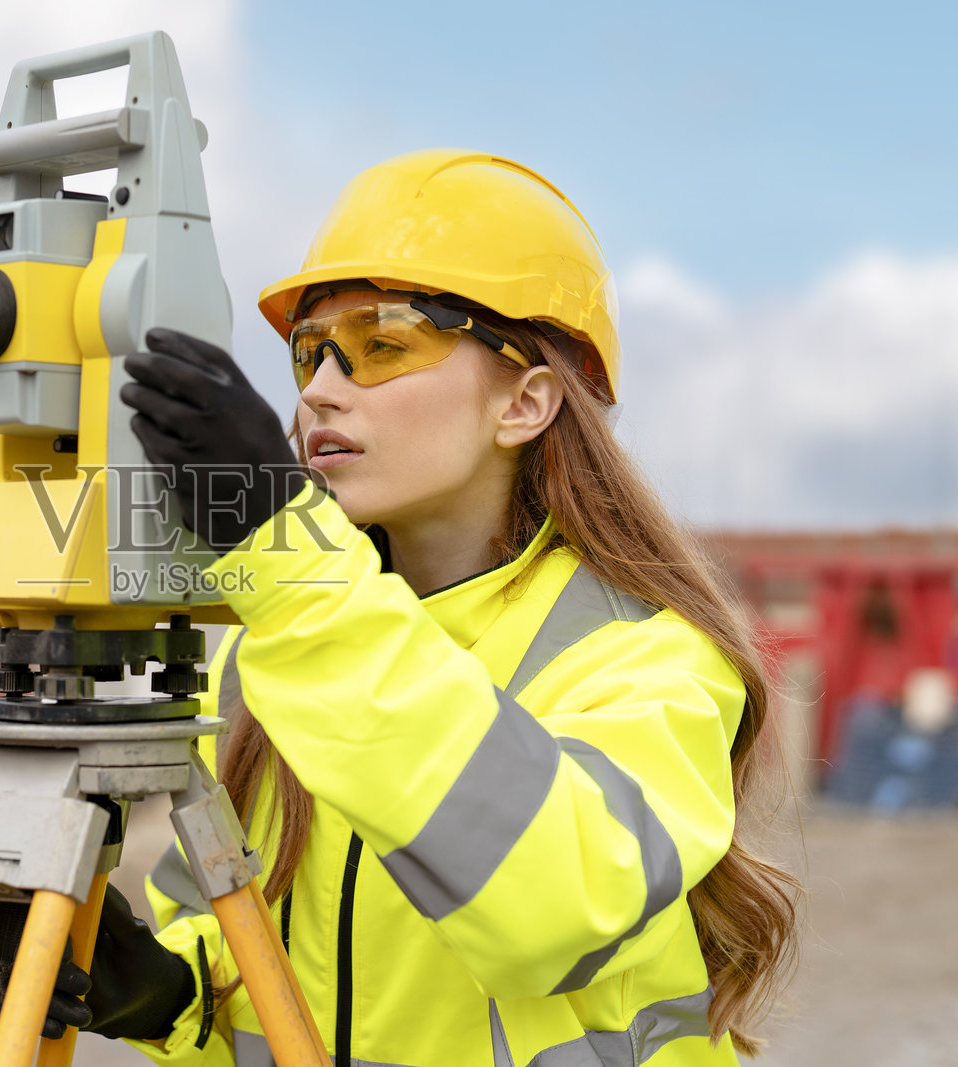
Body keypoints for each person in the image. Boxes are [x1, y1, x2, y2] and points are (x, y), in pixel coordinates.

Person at [45, 149, 800, 1065]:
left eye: (381, 343)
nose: (319, 390)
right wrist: (175, 993)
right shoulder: (290, 642)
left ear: (525, 402)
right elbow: (270, 962)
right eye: (309, 354)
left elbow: (555, 909)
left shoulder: (642, 658)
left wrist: (285, 559)